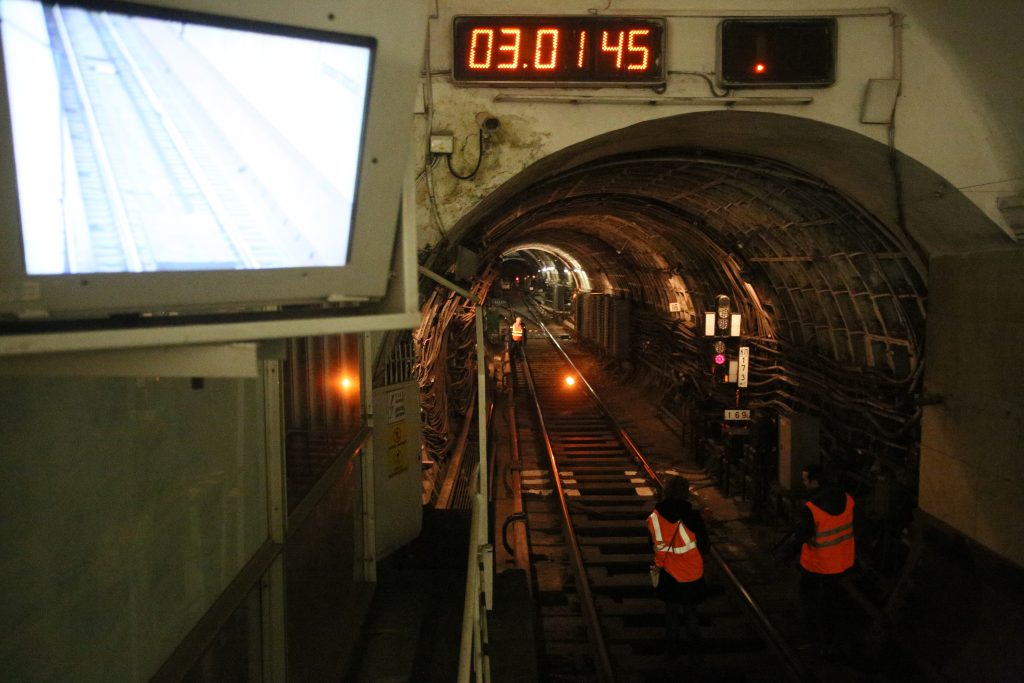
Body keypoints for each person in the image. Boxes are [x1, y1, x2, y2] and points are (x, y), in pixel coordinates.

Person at [775, 463, 855, 657]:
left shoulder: (812, 508)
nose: (803, 483)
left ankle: (815, 643)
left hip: (818, 565)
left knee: (810, 602)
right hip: (842, 561)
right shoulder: (847, 499)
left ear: (815, 482)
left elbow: (802, 535)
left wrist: (786, 555)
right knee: (833, 602)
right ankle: (835, 643)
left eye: (805, 479)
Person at [646, 475, 710, 665]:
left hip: (667, 573)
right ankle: (696, 653)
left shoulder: (656, 517)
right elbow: (705, 546)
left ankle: (671, 652)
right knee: (690, 612)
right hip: (691, 574)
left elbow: (652, 543)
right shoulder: (693, 518)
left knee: (671, 612)